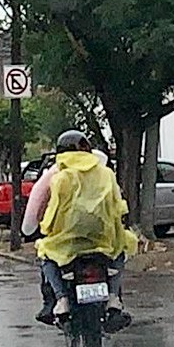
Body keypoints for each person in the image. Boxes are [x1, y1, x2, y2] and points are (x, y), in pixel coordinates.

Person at [33, 130, 135, 332]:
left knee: (45, 256)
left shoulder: (60, 178)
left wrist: (45, 229)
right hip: (103, 241)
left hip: (66, 245)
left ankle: (60, 299)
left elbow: (52, 213)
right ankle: (113, 298)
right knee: (120, 250)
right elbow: (118, 206)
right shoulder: (106, 174)